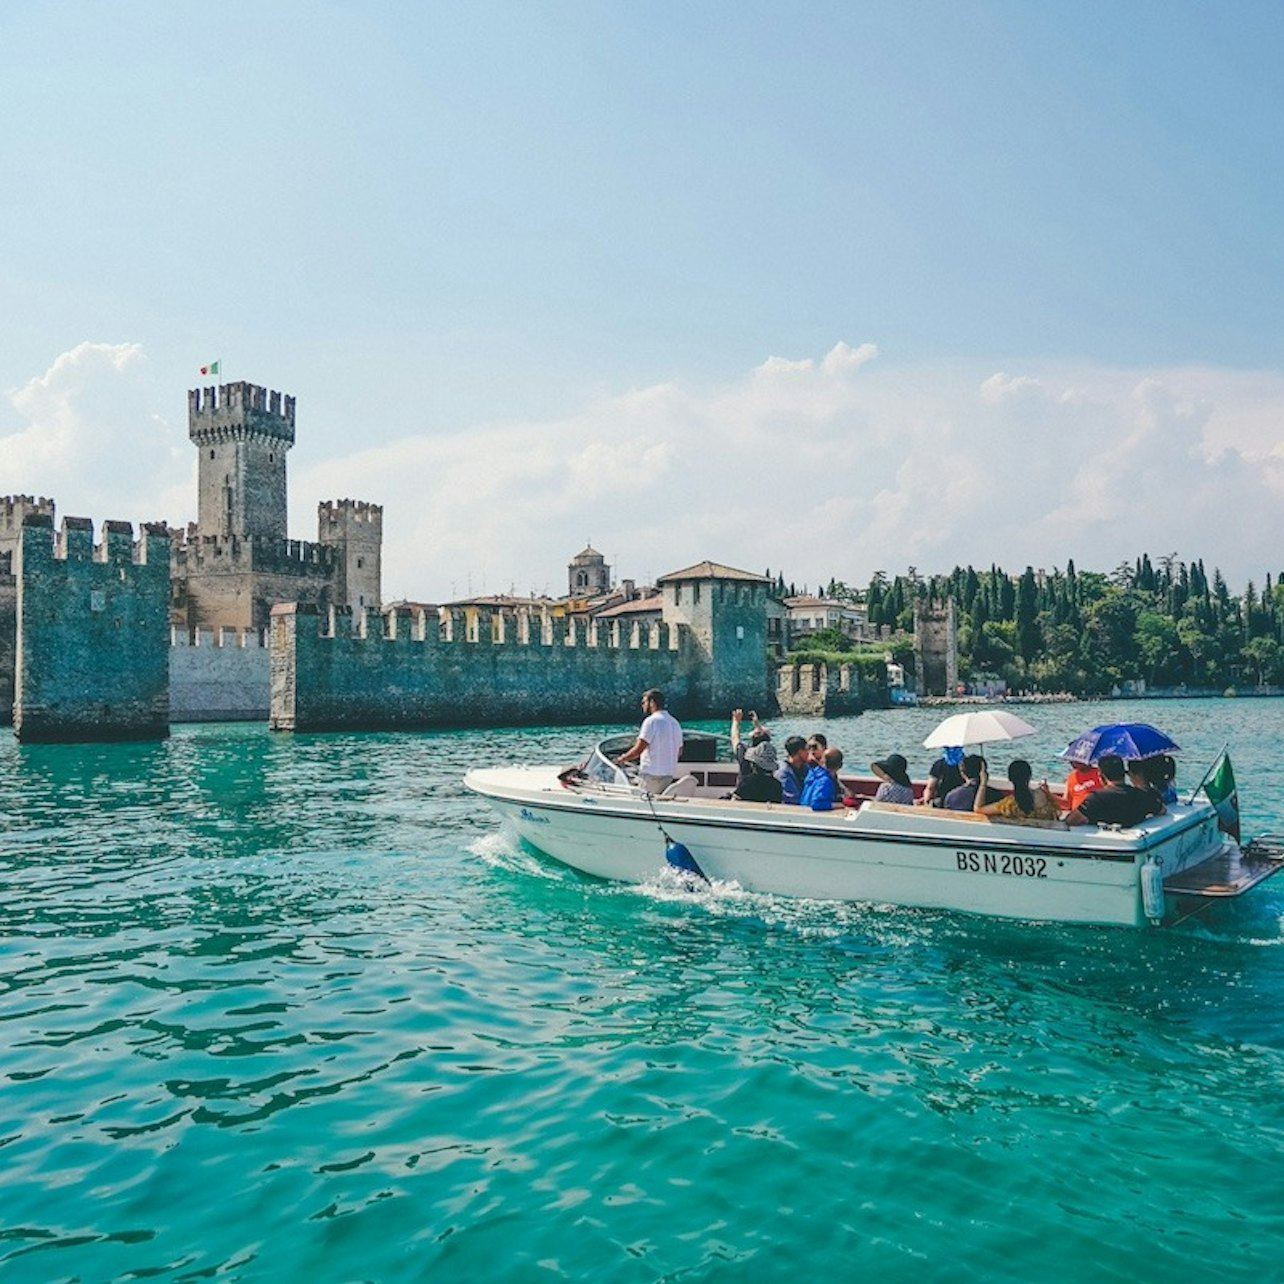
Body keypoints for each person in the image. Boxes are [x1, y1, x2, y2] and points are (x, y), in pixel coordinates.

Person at [1066, 754, 1165, 827]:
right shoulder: (1142, 795)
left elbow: (1071, 820)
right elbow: (1162, 810)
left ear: (1101, 775)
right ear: (1123, 773)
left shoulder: (1096, 798)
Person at [615, 688, 683, 794]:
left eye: (644, 702)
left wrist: (621, 759)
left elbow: (638, 750)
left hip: (651, 777)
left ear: (652, 702)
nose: (642, 705)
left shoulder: (651, 721)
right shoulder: (675, 723)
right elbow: (679, 751)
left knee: (643, 803)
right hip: (668, 776)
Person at [975, 759, 1059, 821]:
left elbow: (978, 809)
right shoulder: (1042, 796)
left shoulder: (1009, 804)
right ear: (1029, 776)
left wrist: (983, 782)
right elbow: (1057, 811)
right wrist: (1047, 792)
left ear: (1010, 778)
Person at [730, 708, 771, 792]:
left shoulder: (745, 755)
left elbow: (735, 738)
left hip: (745, 795)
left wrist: (735, 721)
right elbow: (765, 739)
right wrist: (757, 724)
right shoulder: (770, 756)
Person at [776, 735, 811, 806]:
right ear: (800, 752)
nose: (809, 753)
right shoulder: (783, 772)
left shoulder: (805, 767)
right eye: (806, 750)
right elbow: (792, 799)